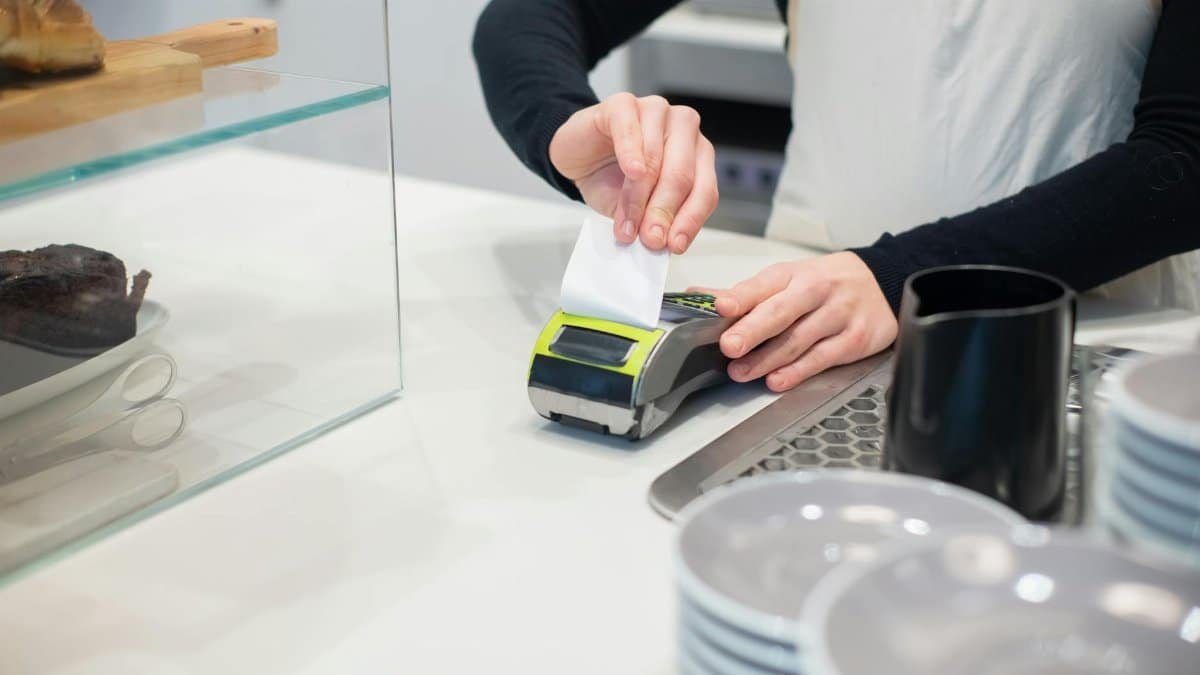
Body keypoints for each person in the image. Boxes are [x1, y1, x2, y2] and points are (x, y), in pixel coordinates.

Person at [473, 0, 1200, 392]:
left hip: (1089, 331)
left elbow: (1185, 156)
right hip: (800, 317)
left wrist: (895, 276)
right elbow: (526, 17)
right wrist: (572, 128)